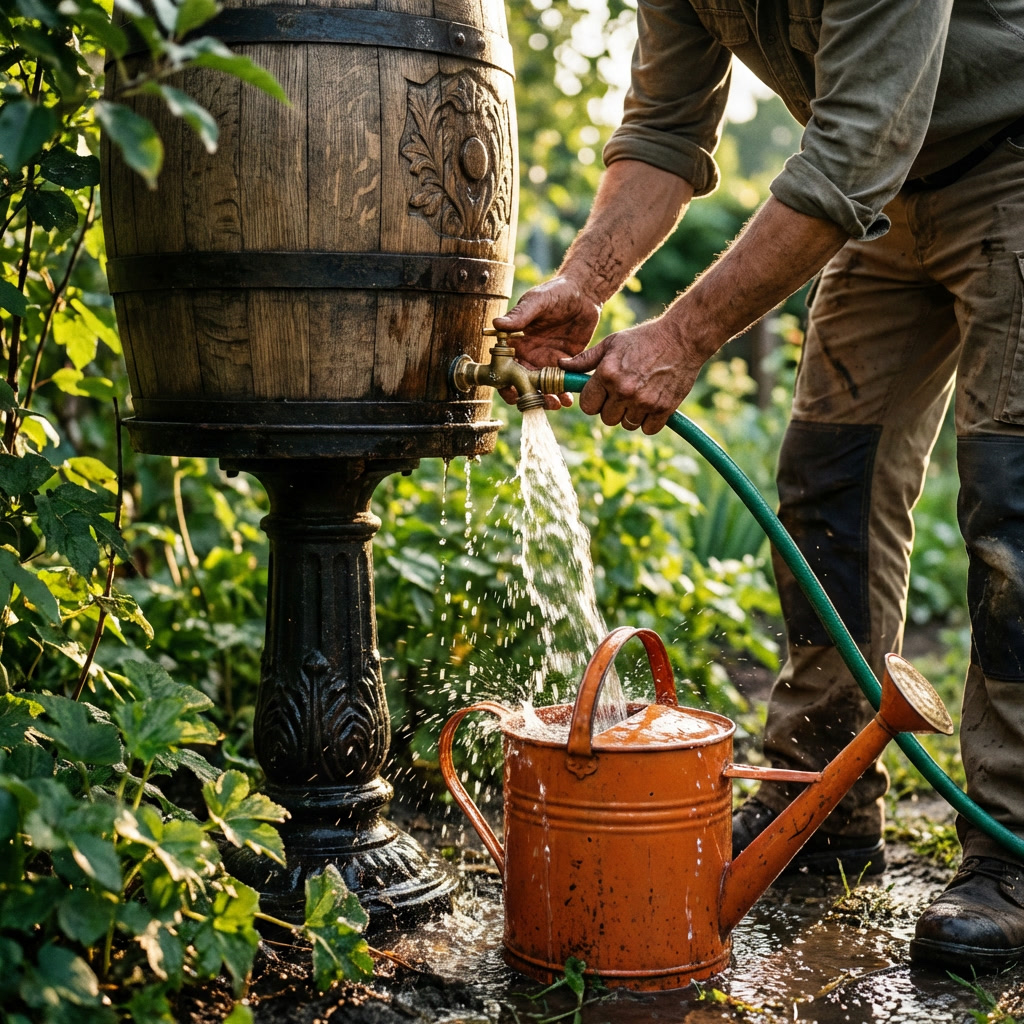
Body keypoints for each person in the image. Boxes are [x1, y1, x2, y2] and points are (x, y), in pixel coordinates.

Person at [494, 0, 1024, 974]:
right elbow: (661, 133)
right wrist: (586, 279)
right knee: (827, 483)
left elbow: (853, 146)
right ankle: (820, 800)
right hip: (881, 196)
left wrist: (683, 335)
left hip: (1005, 156)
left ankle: (1009, 849)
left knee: (1012, 508)